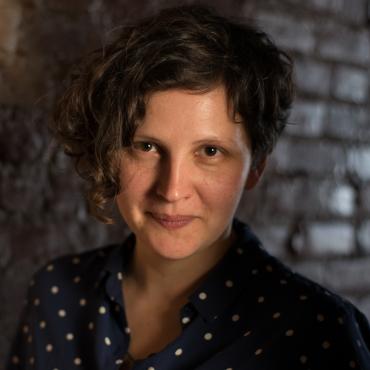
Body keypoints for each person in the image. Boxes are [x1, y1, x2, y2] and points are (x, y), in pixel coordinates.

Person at [6, 4, 370, 370]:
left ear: (256, 167)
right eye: (146, 146)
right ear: (109, 151)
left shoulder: (318, 335)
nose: (171, 189)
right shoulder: (55, 295)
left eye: (210, 151)